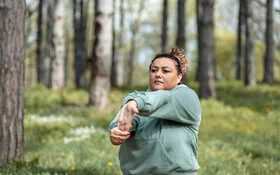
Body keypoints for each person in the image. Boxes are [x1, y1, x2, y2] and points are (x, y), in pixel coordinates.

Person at [108, 48, 201, 175]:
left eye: (166, 71)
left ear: (179, 76)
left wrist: (136, 103)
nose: (158, 74)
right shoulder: (135, 98)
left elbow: (164, 99)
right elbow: (124, 123)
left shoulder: (187, 97)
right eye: (153, 70)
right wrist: (117, 132)